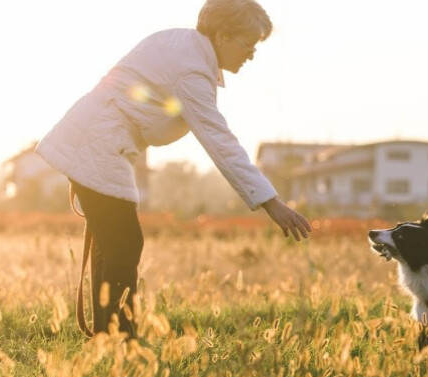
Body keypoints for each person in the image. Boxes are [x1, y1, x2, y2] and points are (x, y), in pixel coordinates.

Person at [36, 0, 311, 339]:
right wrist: (272, 202)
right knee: (122, 241)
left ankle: (110, 339)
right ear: (223, 34)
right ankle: (119, 341)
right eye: (248, 43)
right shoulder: (191, 70)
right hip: (99, 144)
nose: (251, 53)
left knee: (114, 241)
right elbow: (219, 139)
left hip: (100, 141)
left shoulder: (181, 46)